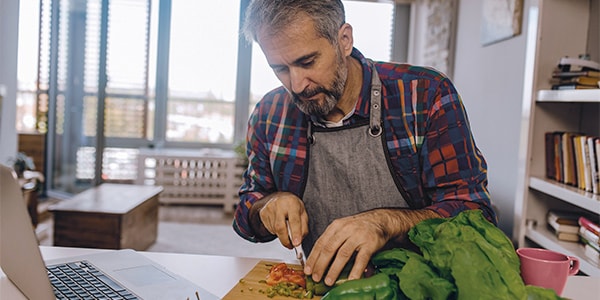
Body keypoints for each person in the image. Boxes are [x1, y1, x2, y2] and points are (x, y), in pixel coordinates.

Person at [233, 0, 497, 287]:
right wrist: (267, 205)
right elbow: (247, 215)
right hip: (328, 289)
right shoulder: (269, 114)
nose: (297, 85)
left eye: (307, 62)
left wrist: (384, 223)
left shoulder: (426, 94)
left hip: (424, 288)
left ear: (344, 40)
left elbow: (474, 215)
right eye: (280, 69)